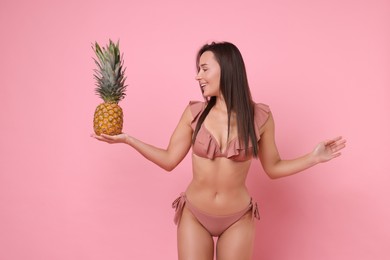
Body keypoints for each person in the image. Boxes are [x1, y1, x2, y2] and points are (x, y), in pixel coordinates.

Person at [92, 41, 346, 260]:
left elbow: (273, 167)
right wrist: (128, 140)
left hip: (237, 218)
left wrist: (314, 158)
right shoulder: (194, 113)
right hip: (195, 214)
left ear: (227, 69)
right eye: (198, 70)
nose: (197, 76)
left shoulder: (261, 117)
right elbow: (169, 160)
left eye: (204, 69)